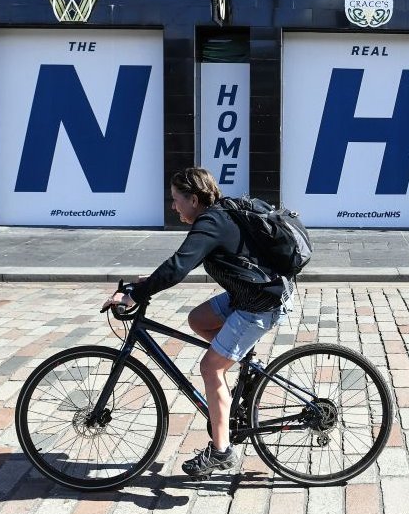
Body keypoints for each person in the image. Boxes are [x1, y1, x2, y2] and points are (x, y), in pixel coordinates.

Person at [104, 167, 289, 477]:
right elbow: (178, 267)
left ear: (193, 198)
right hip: (249, 294)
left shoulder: (211, 222)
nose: (173, 207)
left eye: (176, 200)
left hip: (261, 303)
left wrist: (136, 294)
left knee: (210, 367)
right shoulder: (215, 215)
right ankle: (238, 371)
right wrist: (148, 283)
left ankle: (221, 452)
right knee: (198, 319)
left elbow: (178, 266)